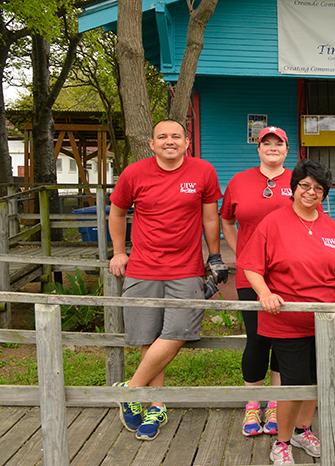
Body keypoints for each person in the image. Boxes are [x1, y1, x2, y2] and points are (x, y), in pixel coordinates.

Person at [239, 159, 335, 465]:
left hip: (325, 322)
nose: (310, 192)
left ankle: (303, 429)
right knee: (295, 382)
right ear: (294, 187)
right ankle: (282, 442)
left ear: (324, 193)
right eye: (305, 185)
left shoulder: (330, 227)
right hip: (286, 320)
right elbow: (251, 266)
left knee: (318, 379)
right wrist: (265, 293)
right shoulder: (273, 222)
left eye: (318, 188)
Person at [108, 119, 225, 441]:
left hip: (186, 268)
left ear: (187, 142)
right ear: (152, 143)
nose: (169, 141)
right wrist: (119, 252)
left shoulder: (203, 171)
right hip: (143, 268)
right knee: (148, 338)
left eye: (176, 136)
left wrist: (214, 256)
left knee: (177, 332)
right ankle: (155, 404)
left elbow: (210, 216)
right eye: (163, 137)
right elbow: (117, 212)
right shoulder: (134, 173)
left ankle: (130, 390)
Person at [221, 126, 292, 437]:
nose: (273, 147)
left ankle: (275, 402)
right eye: (267, 143)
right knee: (257, 336)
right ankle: (253, 401)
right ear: (258, 148)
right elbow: (226, 218)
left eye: (279, 143)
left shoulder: (297, 180)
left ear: (287, 150)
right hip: (250, 274)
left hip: (289, 274)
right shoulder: (240, 181)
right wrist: (241, 251)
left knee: (282, 337)